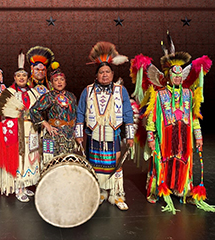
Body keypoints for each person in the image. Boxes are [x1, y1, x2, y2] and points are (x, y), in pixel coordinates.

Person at [130, 31, 214, 213]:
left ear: (182, 77)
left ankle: (182, 190)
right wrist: (151, 137)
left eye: (179, 75)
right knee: (160, 162)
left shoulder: (189, 94)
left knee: (184, 161)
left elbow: (194, 117)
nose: (177, 78)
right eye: (173, 75)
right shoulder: (158, 95)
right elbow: (151, 118)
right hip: (164, 136)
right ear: (167, 76)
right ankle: (156, 191)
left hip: (184, 137)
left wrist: (198, 136)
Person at [75, 42, 134, 211]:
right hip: (93, 135)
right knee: (95, 164)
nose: (105, 74)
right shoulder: (88, 91)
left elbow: (128, 113)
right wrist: (79, 134)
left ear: (113, 74)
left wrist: (130, 136)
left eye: (108, 71)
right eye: (101, 72)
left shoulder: (120, 90)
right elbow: (80, 113)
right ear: (96, 76)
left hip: (113, 134)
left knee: (115, 164)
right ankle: (100, 192)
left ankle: (116, 195)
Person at [0, 51, 40, 202]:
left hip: (31, 130)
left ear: (28, 78)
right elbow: (0, 116)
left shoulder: (33, 93)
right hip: (15, 131)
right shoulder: (9, 92)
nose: (21, 78)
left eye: (24, 76)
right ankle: (18, 187)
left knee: (30, 156)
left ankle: (26, 185)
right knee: (19, 157)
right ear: (14, 78)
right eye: (19, 76)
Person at [30, 62, 77, 164]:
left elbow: (75, 114)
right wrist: (46, 124)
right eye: (56, 80)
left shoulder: (71, 96)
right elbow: (33, 110)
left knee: (68, 164)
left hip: (69, 136)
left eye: (62, 79)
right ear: (51, 83)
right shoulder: (48, 97)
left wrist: (76, 133)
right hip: (54, 135)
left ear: (65, 82)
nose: (59, 82)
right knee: (52, 163)